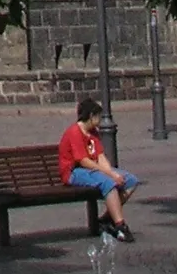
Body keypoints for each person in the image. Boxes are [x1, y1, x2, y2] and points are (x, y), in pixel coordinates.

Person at [59, 93, 139, 239]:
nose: (99, 121)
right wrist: (110, 176)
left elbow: (100, 156)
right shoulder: (74, 133)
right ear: (90, 116)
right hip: (74, 172)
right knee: (108, 183)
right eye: (97, 117)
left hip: (91, 169)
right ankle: (120, 224)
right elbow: (84, 161)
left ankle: (107, 218)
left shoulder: (93, 133)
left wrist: (112, 172)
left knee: (130, 180)